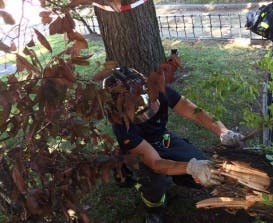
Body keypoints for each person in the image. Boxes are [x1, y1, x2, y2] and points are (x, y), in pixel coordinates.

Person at [102, 66, 245, 223]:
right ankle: (154, 209)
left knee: (201, 172)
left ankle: (176, 176)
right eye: (140, 111)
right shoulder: (121, 126)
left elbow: (193, 111)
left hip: (163, 138)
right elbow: (155, 162)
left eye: (150, 101)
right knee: (154, 181)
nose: (152, 109)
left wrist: (223, 131)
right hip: (139, 153)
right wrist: (191, 167)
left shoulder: (159, 89)